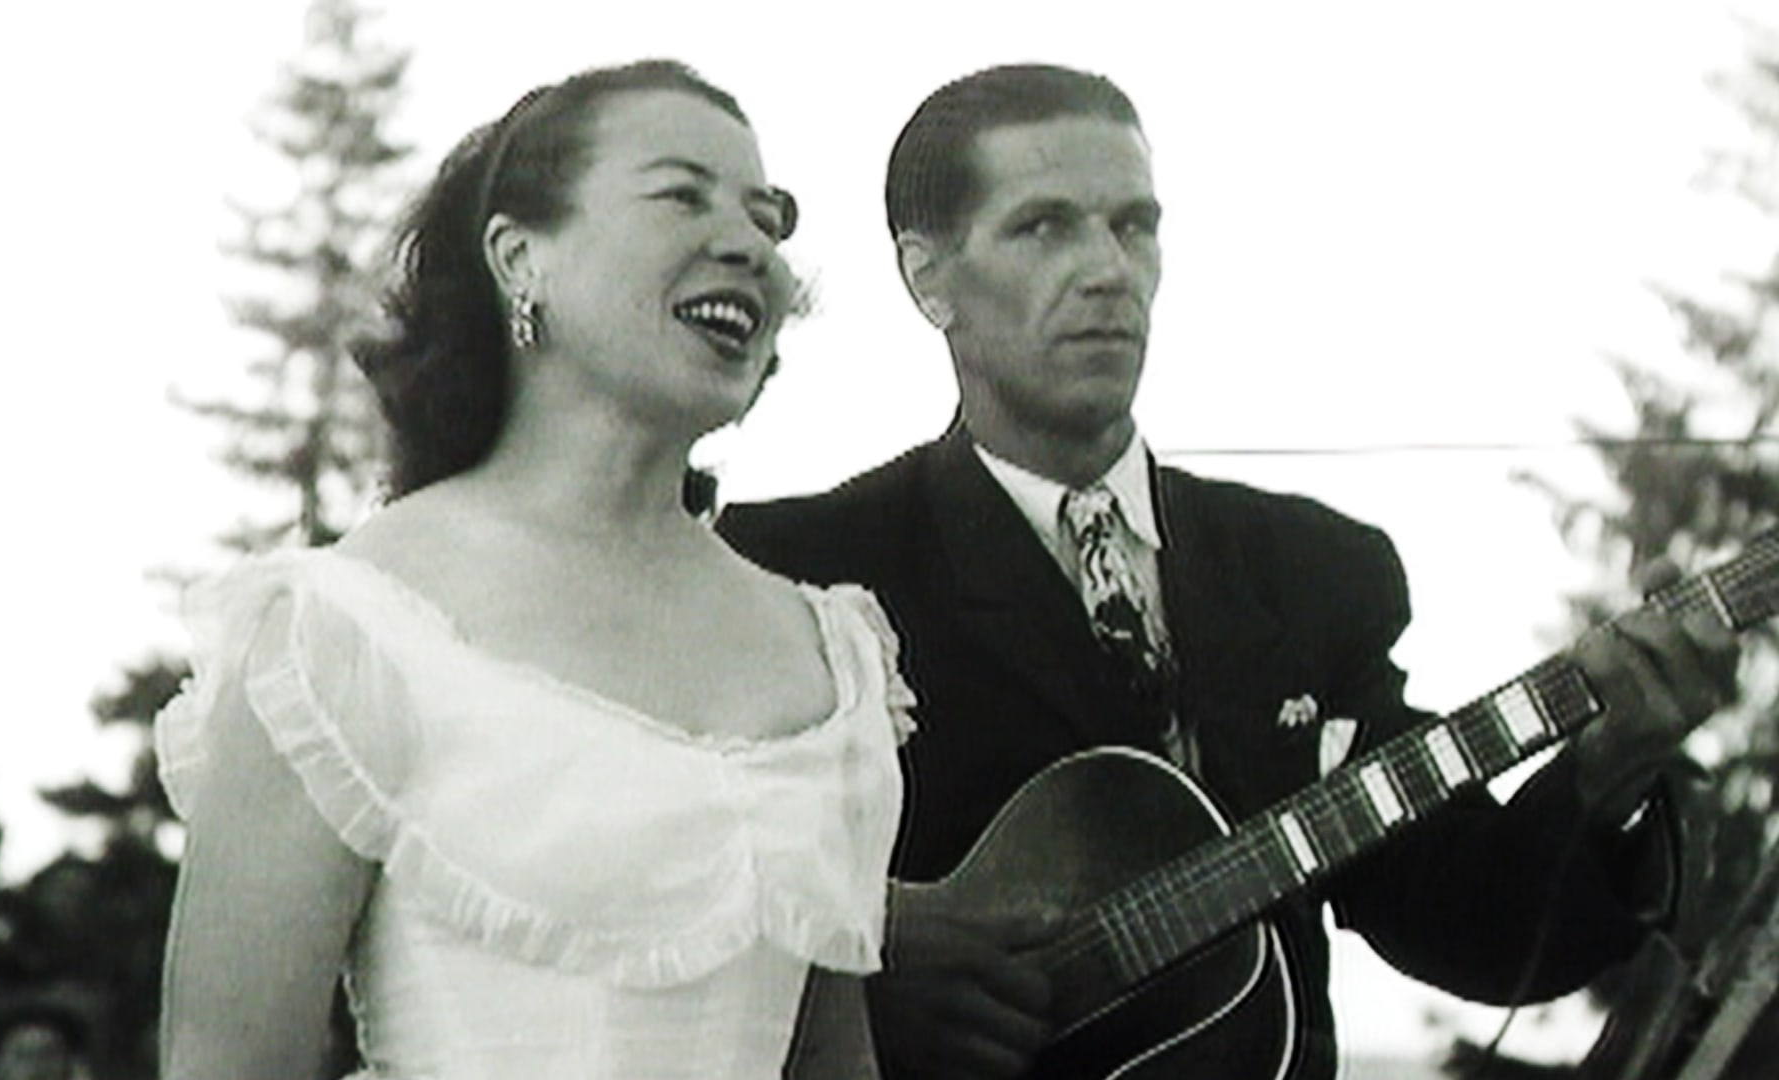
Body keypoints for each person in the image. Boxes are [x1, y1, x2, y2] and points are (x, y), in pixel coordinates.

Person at [718, 63, 1741, 1079]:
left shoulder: (1308, 571)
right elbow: (677, 893)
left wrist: (1607, 768)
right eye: (1044, 228)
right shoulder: (799, 571)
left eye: (1134, 226)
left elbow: (1469, 920)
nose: (1108, 270)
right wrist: (850, 983)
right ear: (928, 276)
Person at [154, 60, 910, 1079]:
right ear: (520, 257)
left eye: (766, 219)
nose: (749, 246)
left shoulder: (828, 654)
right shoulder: (348, 629)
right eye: (682, 196)